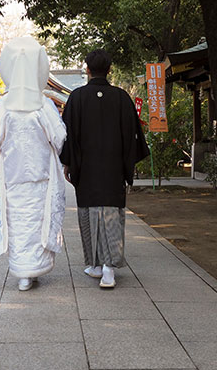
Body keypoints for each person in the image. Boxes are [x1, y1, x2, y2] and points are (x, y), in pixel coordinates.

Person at [59, 49, 150, 288]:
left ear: (87, 69)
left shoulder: (77, 98)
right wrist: (126, 164)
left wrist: (68, 162)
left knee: (88, 213)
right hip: (113, 170)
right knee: (112, 214)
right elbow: (134, 137)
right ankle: (109, 268)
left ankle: (97, 265)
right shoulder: (121, 98)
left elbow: (66, 134)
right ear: (109, 70)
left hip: (86, 169)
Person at [0, 37, 68, 291]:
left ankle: (22, 272)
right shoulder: (43, 105)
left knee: (17, 222)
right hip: (41, 174)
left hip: (13, 175)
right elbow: (59, 136)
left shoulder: (4, 105)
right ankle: (34, 267)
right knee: (38, 221)